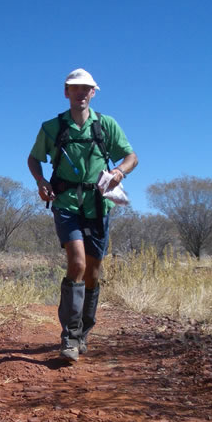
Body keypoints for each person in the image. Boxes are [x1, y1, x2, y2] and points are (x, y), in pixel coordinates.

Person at [28, 68, 138, 362]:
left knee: (93, 272)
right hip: (66, 204)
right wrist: (41, 182)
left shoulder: (107, 125)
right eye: (74, 88)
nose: (80, 93)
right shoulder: (52, 127)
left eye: (85, 88)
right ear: (66, 92)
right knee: (76, 263)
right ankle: (70, 337)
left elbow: (131, 157)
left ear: (93, 92)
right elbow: (34, 158)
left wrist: (118, 171)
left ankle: (84, 331)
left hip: (98, 205)